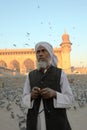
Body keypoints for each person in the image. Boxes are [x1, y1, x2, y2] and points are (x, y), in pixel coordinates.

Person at [22, 41, 74, 130]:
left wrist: (54, 94)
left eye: (43, 51)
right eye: (38, 52)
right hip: (35, 122)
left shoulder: (60, 73)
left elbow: (70, 100)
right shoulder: (31, 75)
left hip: (57, 123)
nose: (40, 54)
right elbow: (23, 100)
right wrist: (31, 96)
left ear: (50, 53)